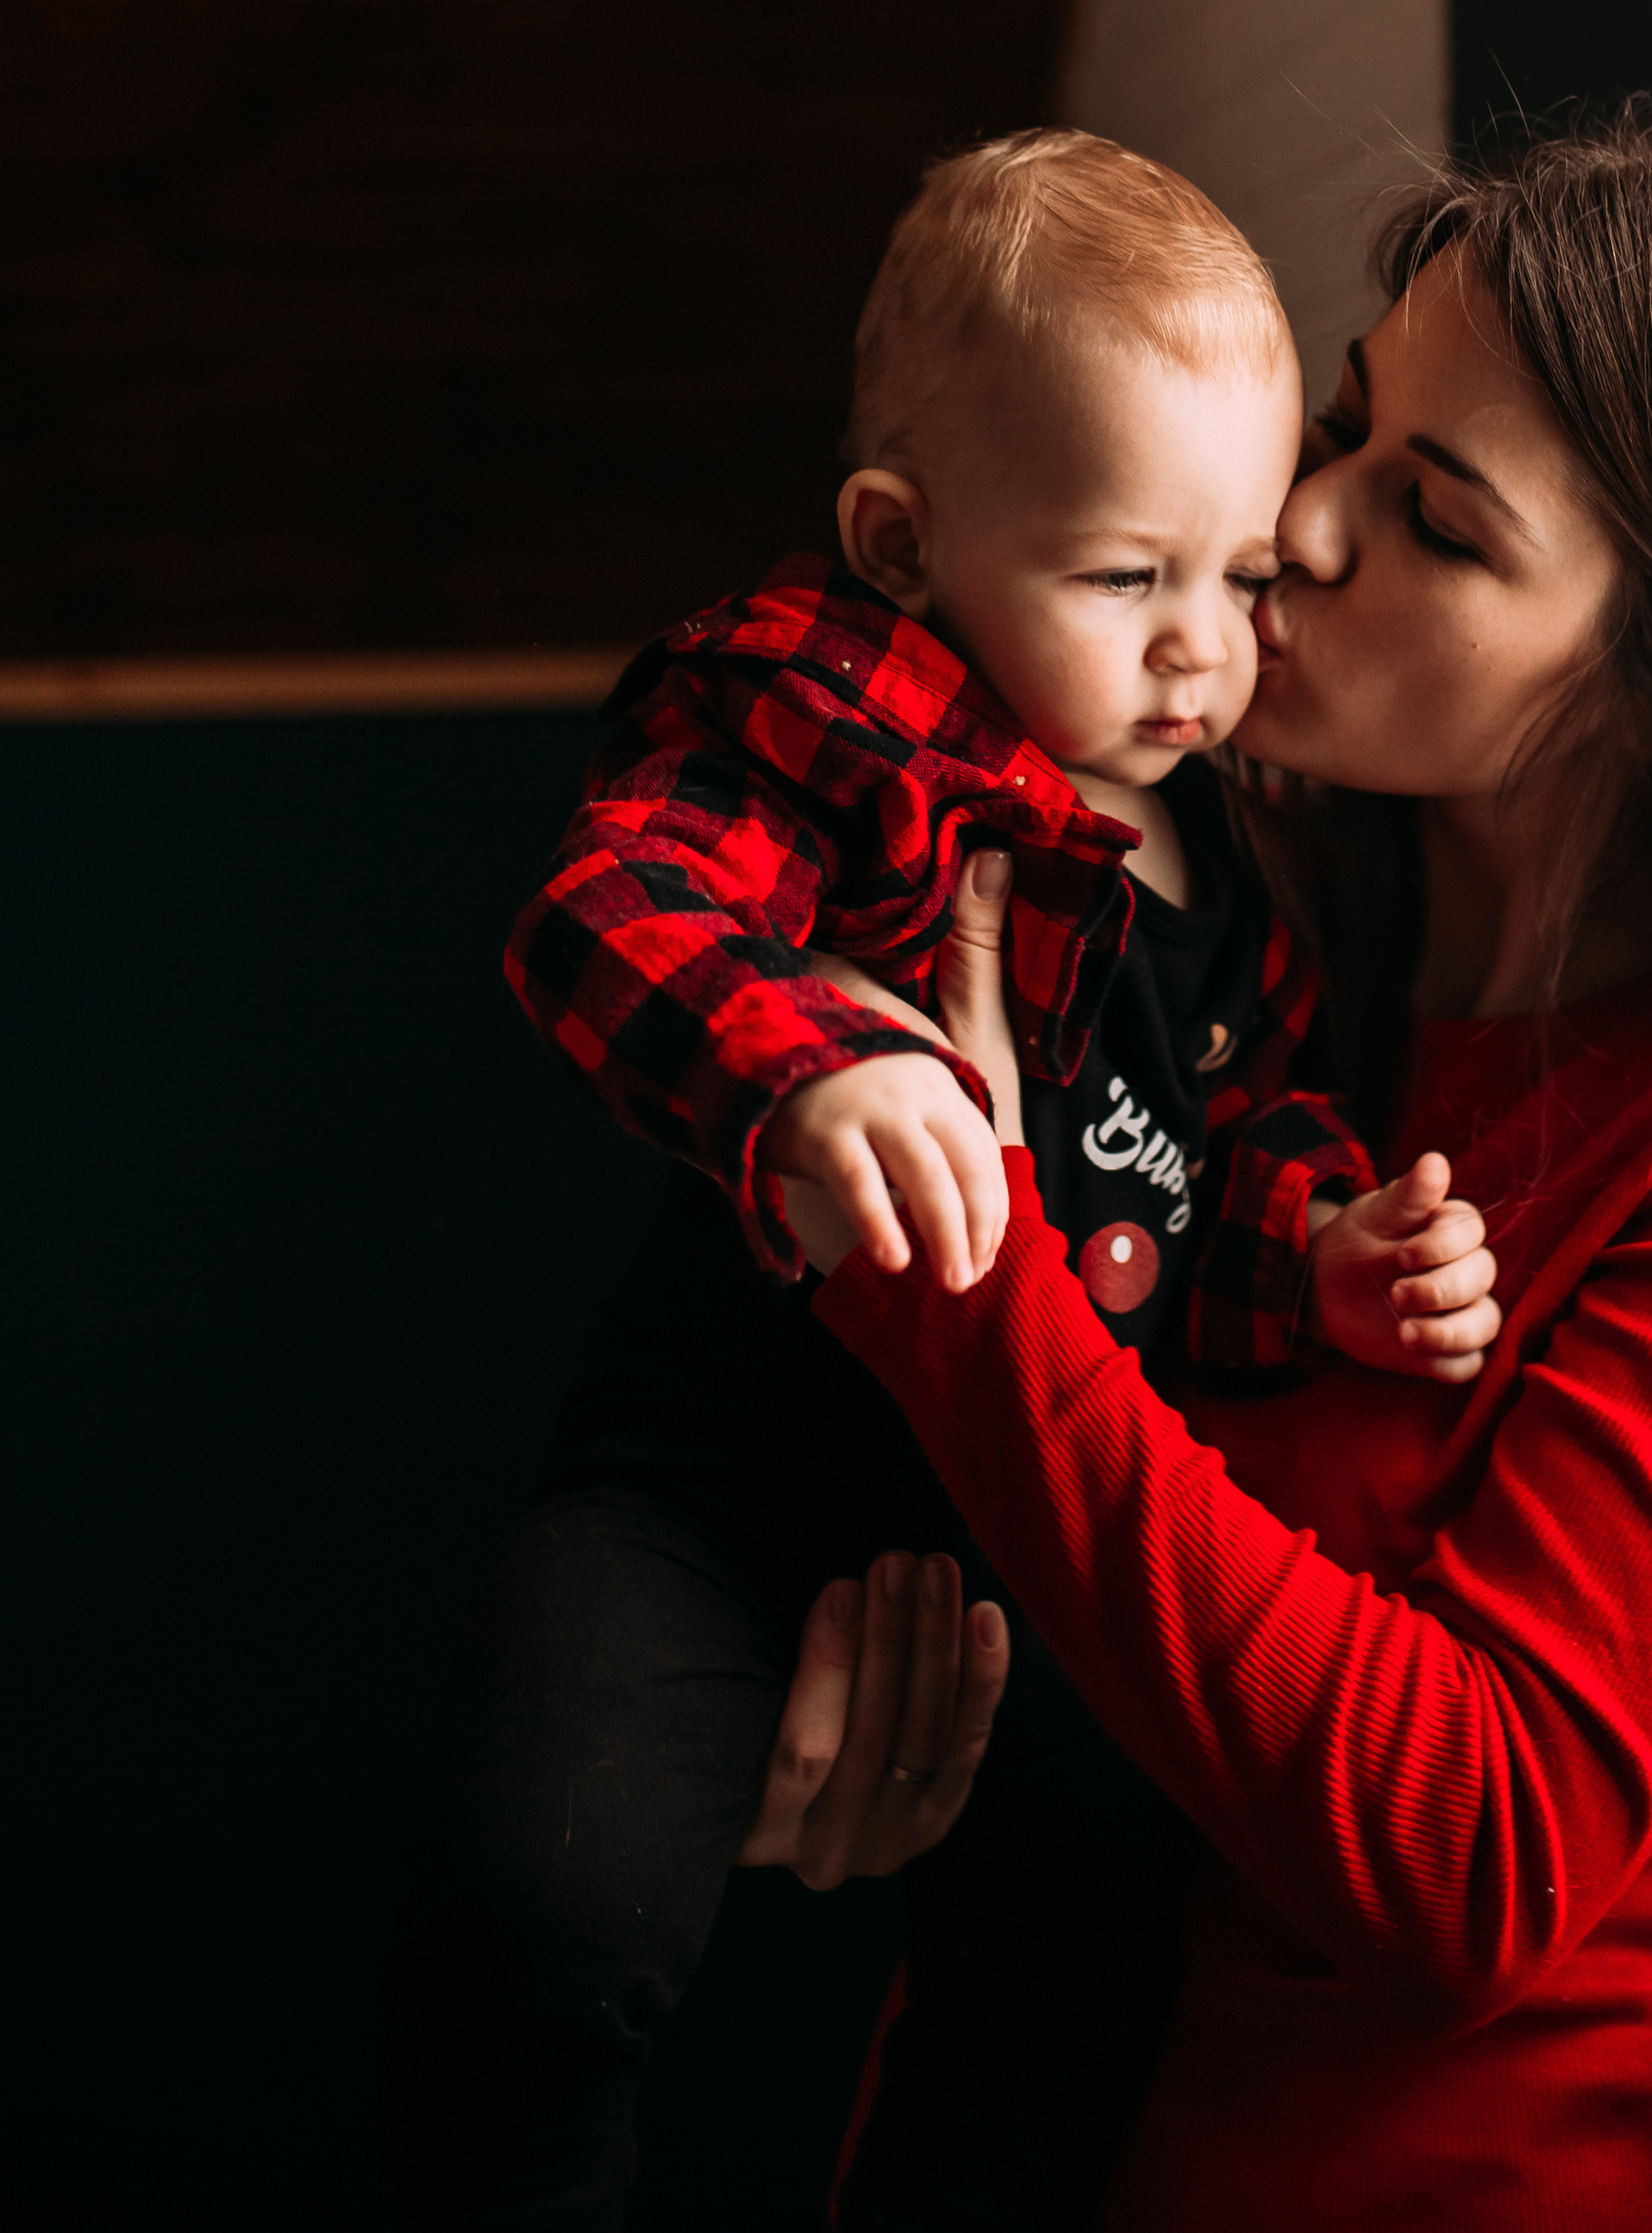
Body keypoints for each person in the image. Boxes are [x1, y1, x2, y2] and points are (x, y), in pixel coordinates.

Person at [773, 115, 1652, 2231]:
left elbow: (1465, 1852)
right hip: (1002, 2117)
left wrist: (961, 1262)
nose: (1290, 527)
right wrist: (812, 1696)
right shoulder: (1225, 914)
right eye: (1341, 426)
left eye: (1432, 518)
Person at [378, 128, 1497, 2230]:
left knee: (1077, 1976)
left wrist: (1323, 1254)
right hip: (718, 1484)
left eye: (1238, 576)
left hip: (1035, 1545)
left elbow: (1204, 1169)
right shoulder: (844, 716)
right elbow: (603, 907)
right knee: (540, 1896)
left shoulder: (1240, 853)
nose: (1200, 652)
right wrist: (803, 1070)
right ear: (902, 542)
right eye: (1123, 579)